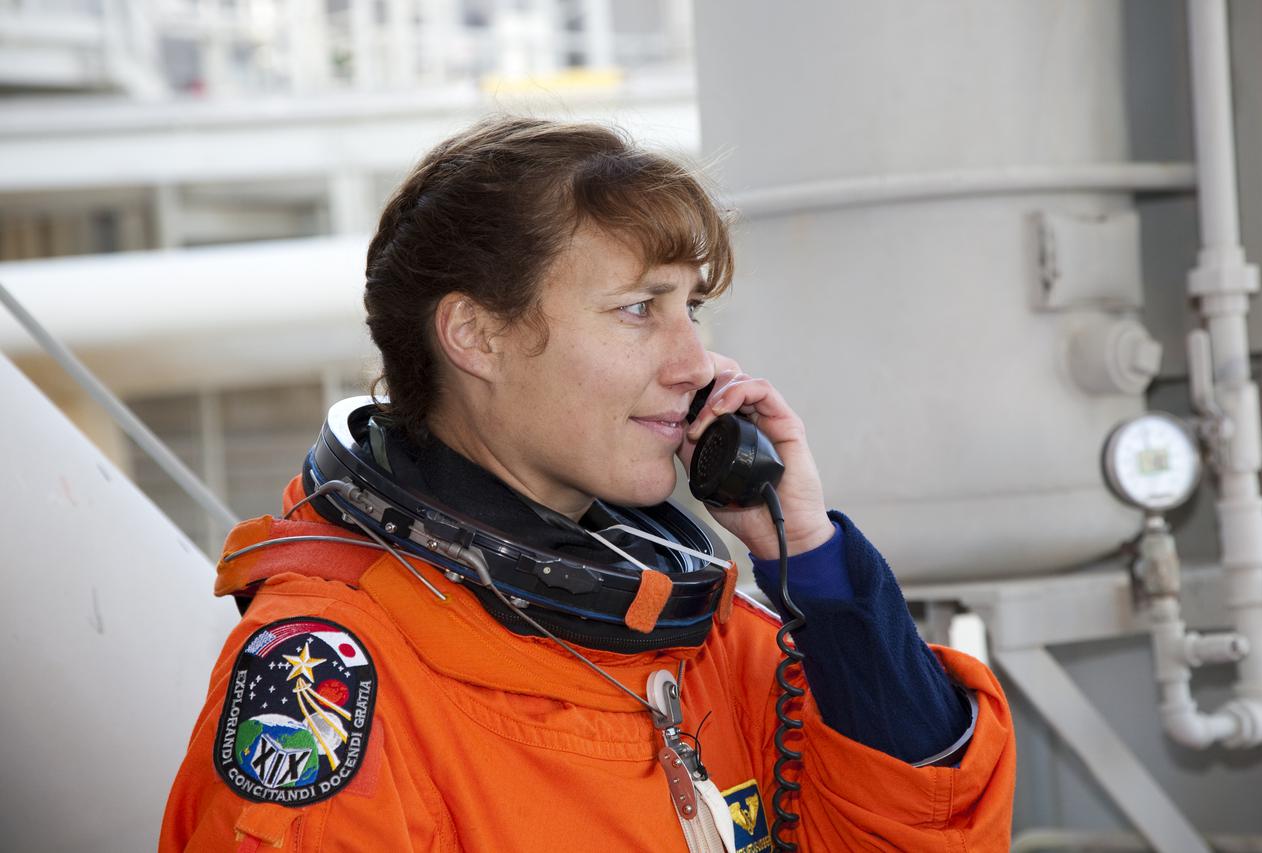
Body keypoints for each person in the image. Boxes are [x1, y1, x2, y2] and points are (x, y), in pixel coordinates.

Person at [161, 117, 1015, 852]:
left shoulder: (690, 624)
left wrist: (814, 565)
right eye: (640, 308)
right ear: (477, 335)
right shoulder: (335, 676)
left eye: (693, 310)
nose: (697, 365)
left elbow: (922, 827)